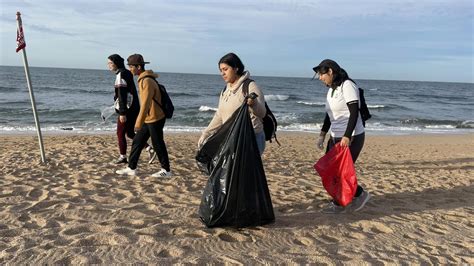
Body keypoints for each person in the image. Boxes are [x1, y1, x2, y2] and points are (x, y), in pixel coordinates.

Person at [313, 59, 371, 214]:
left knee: (341, 172)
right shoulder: (331, 89)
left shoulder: (348, 85)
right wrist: (322, 134)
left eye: (321, 74)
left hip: (351, 137)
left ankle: (359, 195)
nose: (320, 78)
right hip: (335, 137)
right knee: (330, 170)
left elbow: (354, 112)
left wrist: (347, 135)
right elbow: (329, 114)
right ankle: (341, 199)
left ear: (330, 71)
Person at [198, 52, 267, 155]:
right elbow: (220, 115)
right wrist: (206, 133)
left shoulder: (250, 86)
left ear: (236, 68)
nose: (222, 73)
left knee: (245, 171)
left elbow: (262, 113)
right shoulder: (225, 90)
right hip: (232, 138)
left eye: (225, 69)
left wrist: (253, 104)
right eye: (221, 70)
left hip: (251, 138)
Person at [116, 54, 171, 177]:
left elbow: (145, 104)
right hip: (149, 117)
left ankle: (166, 170)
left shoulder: (146, 81)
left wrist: (138, 123)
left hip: (155, 118)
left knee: (158, 143)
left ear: (138, 66)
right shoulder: (144, 79)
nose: (130, 69)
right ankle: (132, 167)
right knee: (137, 141)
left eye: (131, 67)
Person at [107, 54, 140, 164]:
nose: (108, 65)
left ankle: (123, 157)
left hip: (127, 109)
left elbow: (122, 95)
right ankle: (149, 148)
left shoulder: (120, 75)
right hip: (134, 107)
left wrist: (122, 113)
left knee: (120, 133)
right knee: (130, 133)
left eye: (110, 63)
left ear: (116, 63)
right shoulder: (127, 73)